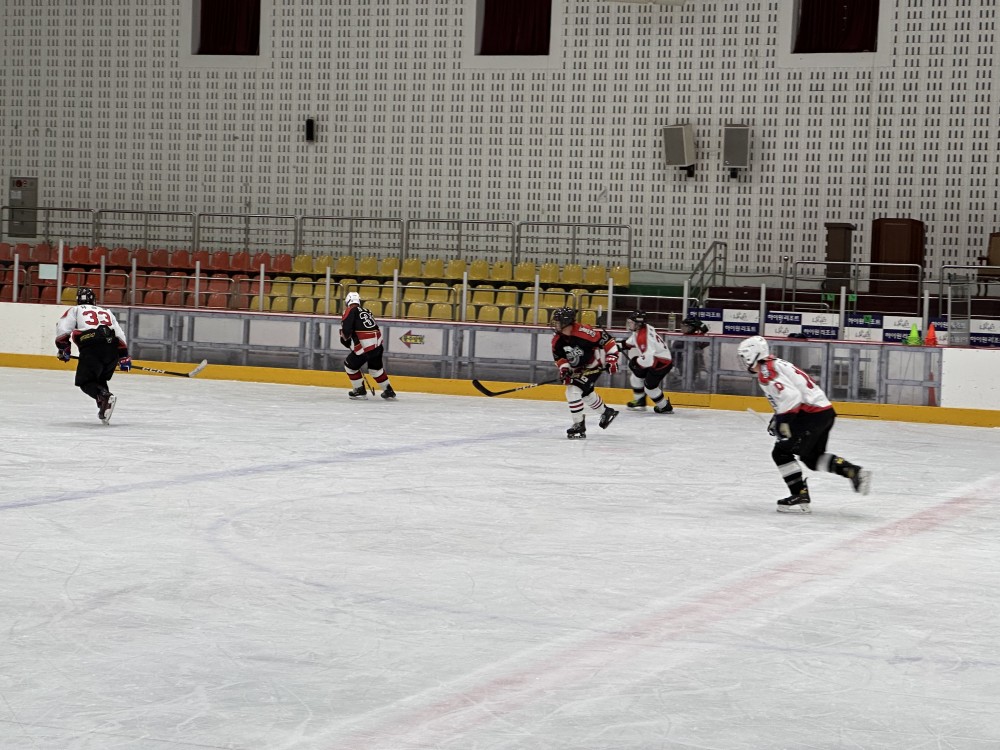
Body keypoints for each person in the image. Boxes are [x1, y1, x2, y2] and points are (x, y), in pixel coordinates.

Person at [736, 335, 872, 513]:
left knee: (781, 453)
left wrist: (783, 421)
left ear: (752, 355)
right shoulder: (774, 364)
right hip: (823, 412)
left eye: (743, 357)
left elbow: (792, 396)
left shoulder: (766, 372)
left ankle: (799, 494)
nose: (743, 361)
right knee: (812, 459)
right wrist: (778, 418)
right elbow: (789, 396)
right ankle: (853, 472)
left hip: (810, 415)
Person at [55, 286, 131, 424]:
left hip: (92, 347)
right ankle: (104, 406)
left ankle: (103, 397)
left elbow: (62, 329)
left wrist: (64, 349)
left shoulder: (75, 310)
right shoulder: (106, 311)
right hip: (112, 348)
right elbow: (119, 334)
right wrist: (124, 356)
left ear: (78, 300)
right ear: (94, 300)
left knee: (85, 381)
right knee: (100, 380)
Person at [550, 307, 619, 439]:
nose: (555, 325)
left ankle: (579, 424)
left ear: (566, 322)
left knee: (573, 390)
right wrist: (565, 370)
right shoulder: (557, 340)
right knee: (586, 393)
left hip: (592, 366)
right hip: (577, 369)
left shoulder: (584, 332)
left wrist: (612, 359)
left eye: (558, 322)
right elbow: (560, 358)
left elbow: (608, 341)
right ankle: (606, 412)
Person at [340, 291, 396, 400]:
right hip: (378, 345)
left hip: (365, 346)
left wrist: (345, 340)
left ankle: (359, 391)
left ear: (347, 302)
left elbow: (346, 331)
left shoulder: (349, 311)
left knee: (350, 366)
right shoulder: (367, 311)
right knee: (376, 370)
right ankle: (388, 391)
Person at [619, 310, 674, 413]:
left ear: (638, 323)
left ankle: (665, 407)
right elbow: (631, 342)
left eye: (631, 322)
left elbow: (648, 360)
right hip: (655, 360)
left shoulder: (644, 336)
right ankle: (640, 402)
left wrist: (636, 363)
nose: (629, 324)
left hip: (661, 363)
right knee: (636, 377)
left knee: (650, 388)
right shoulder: (641, 330)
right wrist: (617, 345)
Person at [670, 315, 710, 384]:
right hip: (680, 366)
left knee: (703, 376)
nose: (682, 328)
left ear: (691, 328)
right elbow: (672, 356)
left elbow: (707, 336)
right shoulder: (678, 340)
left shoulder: (697, 339)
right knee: (672, 372)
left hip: (696, 366)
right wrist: (674, 366)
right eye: (682, 326)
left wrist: (700, 324)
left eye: (685, 326)